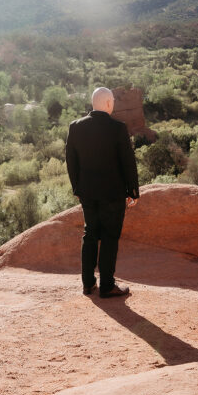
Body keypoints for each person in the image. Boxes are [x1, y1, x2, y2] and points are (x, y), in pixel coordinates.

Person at [65, 87, 140, 298]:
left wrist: (77, 188)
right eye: (112, 101)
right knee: (109, 236)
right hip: (113, 193)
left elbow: (71, 161)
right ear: (108, 103)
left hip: (87, 192)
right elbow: (127, 162)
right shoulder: (117, 128)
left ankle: (88, 284)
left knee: (90, 234)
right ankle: (107, 285)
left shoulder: (76, 127)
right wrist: (132, 191)